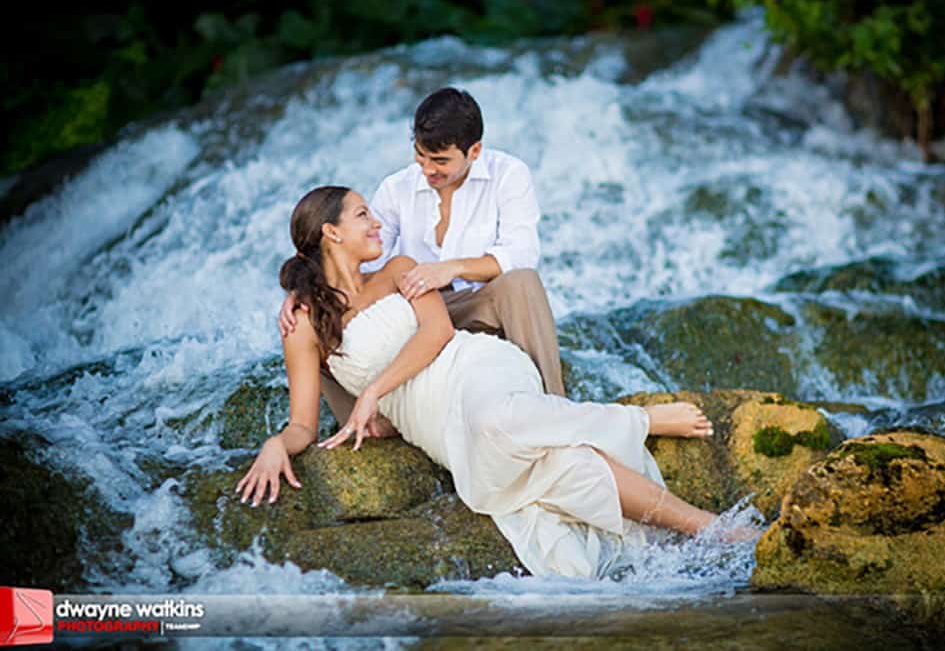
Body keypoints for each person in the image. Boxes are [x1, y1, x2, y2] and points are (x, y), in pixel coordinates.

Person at [238, 186, 757, 578]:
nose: (376, 222)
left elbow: (439, 331)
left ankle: (643, 426)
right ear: (331, 233)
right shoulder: (303, 322)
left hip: (476, 367)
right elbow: (303, 423)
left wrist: (374, 390)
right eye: (363, 215)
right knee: (558, 465)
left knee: (497, 419)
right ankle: (706, 528)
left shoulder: (398, 268)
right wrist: (275, 444)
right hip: (434, 424)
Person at [279, 88, 565, 440]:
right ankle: (366, 420)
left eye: (440, 161)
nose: (428, 169)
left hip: (476, 308)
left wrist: (453, 268)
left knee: (521, 281)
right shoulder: (397, 188)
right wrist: (304, 290)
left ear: (474, 151)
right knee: (319, 322)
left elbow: (521, 252)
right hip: (412, 314)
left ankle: (553, 407)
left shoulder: (509, 175)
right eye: (420, 155)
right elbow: (355, 254)